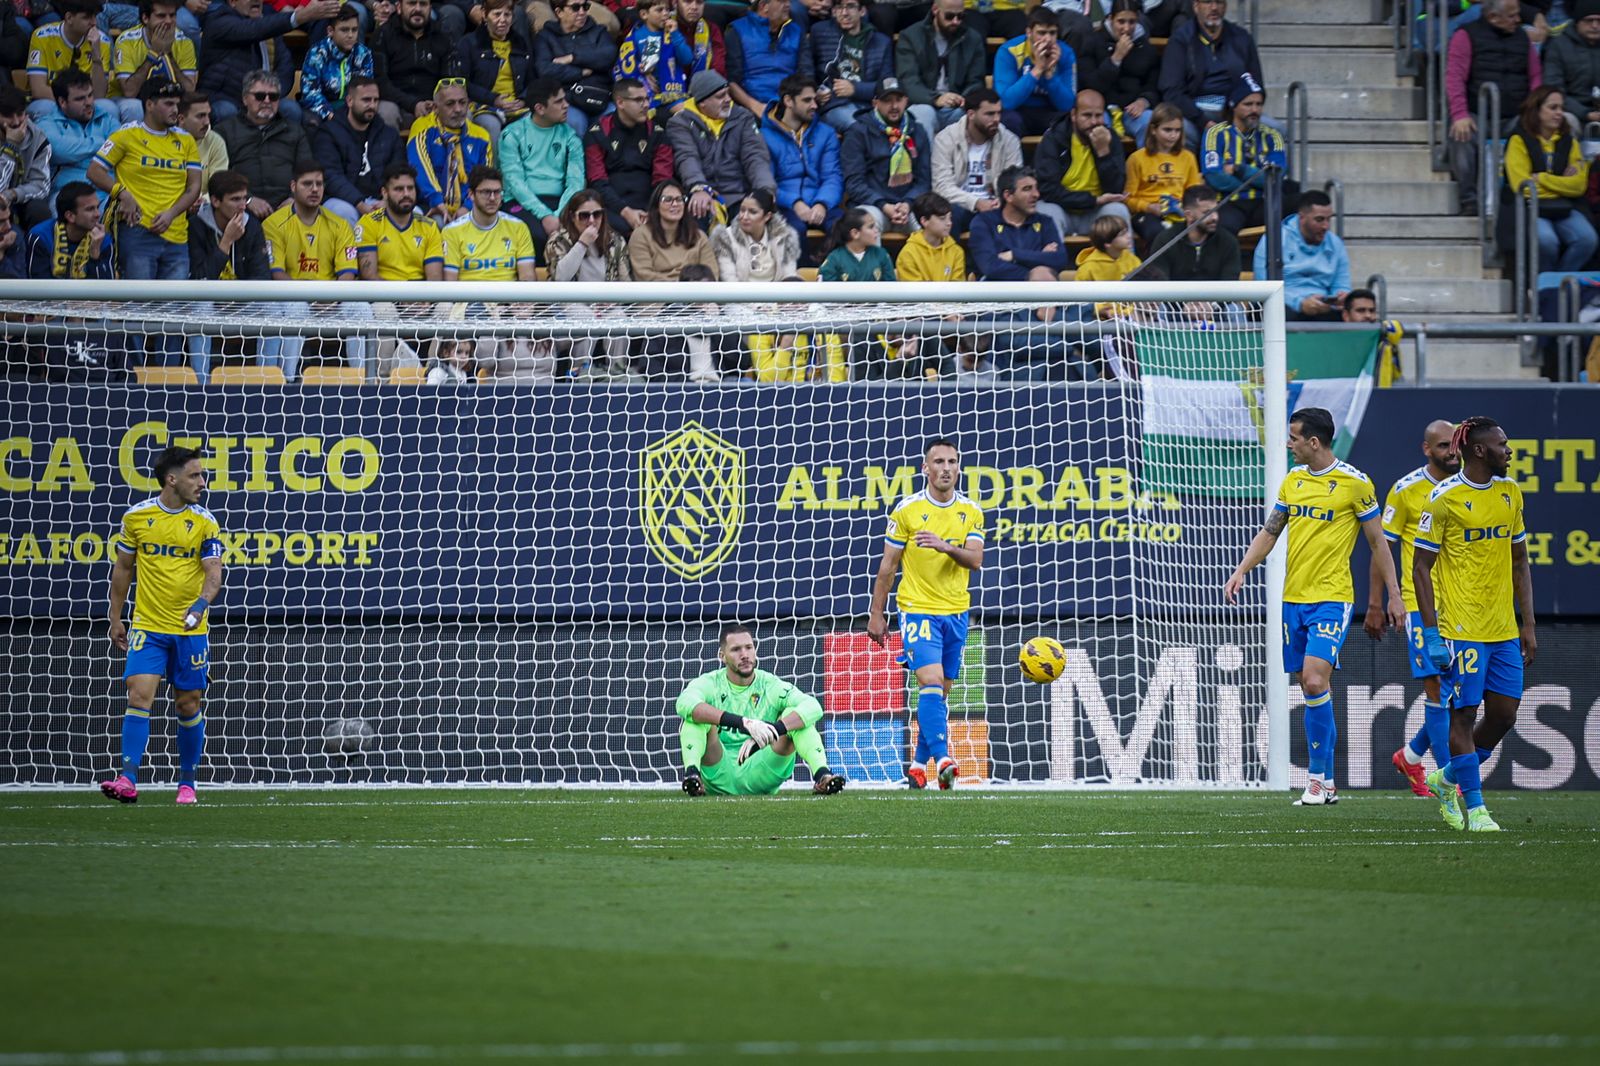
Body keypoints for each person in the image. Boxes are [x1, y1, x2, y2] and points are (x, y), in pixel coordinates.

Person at [1224, 407, 1405, 807]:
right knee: (1310, 689)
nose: (1288, 444)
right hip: (1294, 600)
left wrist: (1394, 595)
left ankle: (1318, 780)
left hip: (1332, 598)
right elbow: (1270, 533)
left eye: (1293, 438)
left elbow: (1378, 542)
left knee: (1314, 680)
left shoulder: (1355, 484)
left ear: (1314, 442)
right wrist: (1241, 570)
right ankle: (1327, 782)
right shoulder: (1293, 481)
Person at [1413, 416, 1537, 833]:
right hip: (1461, 628)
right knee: (1463, 715)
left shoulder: (1510, 493)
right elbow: (1420, 569)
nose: (1510, 450)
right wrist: (1432, 634)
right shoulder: (1443, 498)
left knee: (1504, 716)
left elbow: (1520, 561)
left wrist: (1528, 625)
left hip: (1503, 629)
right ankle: (1478, 810)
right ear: (1480, 450)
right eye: (1503, 444)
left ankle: (1446, 780)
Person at [99, 446, 224, 807]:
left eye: (202, 475)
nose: (202, 482)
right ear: (172, 479)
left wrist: (200, 606)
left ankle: (187, 783)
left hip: (189, 630)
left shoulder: (205, 522)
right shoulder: (137, 518)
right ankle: (128, 778)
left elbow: (213, 575)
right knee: (138, 695)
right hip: (148, 626)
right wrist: (115, 616)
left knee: (188, 704)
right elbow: (123, 569)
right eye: (195, 475)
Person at [866, 437, 985, 790]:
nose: (946, 468)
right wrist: (876, 613)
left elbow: (976, 560)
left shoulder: (971, 511)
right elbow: (888, 567)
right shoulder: (907, 511)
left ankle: (919, 764)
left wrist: (945, 546)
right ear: (925, 468)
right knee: (930, 683)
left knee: (939, 694)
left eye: (952, 461)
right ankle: (945, 758)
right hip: (917, 610)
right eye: (939, 462)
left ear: (959, 467)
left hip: (956, 612)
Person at [1372, 419, 1462, 798]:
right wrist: (1378, 602)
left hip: (1465, 607)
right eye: (1443, 446)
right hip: (1421, 606)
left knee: (1460, 695)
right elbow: (1382, 547)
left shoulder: (1467, 488)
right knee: (1439, 693)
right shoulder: (1406, 490)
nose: (1451, 453)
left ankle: (1410, 756)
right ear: (1427, 449)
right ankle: (1448, 782)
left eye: (1455, 445)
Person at [676, 623, 845, 797]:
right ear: (722, 656)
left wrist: (773, 731)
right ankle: (692, 775)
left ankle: (823, 776)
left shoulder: (769, 685)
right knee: (696, 717)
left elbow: (813, 707)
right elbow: (684, 703)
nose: (744, 655)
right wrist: (743, 723)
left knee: (794, 717)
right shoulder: (711, 683)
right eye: (736, 650)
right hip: (718, 770)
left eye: (749, 647)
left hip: (762, 771)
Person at [88, 79, 201, 282]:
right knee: (138, 306)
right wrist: (123, 193)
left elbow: (194, 187)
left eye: (177, 104)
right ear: (149, 105)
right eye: (168, 104)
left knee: (172, 310)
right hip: (137, 232)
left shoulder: (186, 140)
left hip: (177, 235)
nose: (175, 109)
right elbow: (94, 171)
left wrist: (171, 214)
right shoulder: (125, 135)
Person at [262, 161, 361, 380]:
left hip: (331, 301)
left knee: (360, 308)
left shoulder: (340, 224)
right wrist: (309, 297)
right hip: (292, 298)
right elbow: (276, 273)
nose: (315, 189)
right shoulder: (273, 224)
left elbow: (348, 272)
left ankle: (362, 380)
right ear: (293, 186)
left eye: (319, 184)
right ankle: (287, 380)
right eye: (308, 184)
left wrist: (331, 297)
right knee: (297, 309)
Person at [1446, 0, 1538, 217]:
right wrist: (1459, 114)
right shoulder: (1465, 35)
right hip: (1478, 113)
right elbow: (1454, 77)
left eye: (1518, 14)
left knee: (1537, 130)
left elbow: (1535, 76)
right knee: (1462, 136)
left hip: (1516, 113)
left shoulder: (1522, 38)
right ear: (1493, 18)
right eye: (1512, 16)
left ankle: (1521, 197)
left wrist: (1534, 109)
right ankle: (1469, 199)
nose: (1518, 20)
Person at [186, 169, 275, 382]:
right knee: (200, 308)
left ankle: (269, 379)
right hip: (209, 301)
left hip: (242, 301)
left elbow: (262, 277)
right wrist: (226, 242)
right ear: (215, 201)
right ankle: (201, 382)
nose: (242, 205)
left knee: (273, 306)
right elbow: (199, 278)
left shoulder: (251, 225)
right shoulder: (196, 225)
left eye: (244, 198)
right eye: (235, 199)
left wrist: (236, 298)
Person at [1503, 86, 1597, 273]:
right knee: (1547, 240)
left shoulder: (1570, 141)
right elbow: (1523, 187)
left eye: (1561, 108)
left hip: (1565, 206)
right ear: (1537, 110)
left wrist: (1543, 178)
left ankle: (1555, 285)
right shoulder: (1518, 140)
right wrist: (1561, 183)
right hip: (1531, 206)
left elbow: (1579, 186)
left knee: (1588, 239)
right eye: (1553, 108)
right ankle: (1545, 286)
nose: (1559, 113)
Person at [667, 69, 775, 227]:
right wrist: (698, 187)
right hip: (704, 194)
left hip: (740, 196)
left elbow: (755, 157)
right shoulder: (681, 122)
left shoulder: (742, 117)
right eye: (720, 96)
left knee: (761, 217)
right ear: (702, 102)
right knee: (697, 211)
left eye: (727, 93)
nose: (728, 100)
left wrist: (765, 190)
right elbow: (687, 157)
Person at [200, 0, 336, 125]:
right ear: (232, 2)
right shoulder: (219, 21)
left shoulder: (268, 25)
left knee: (291, 109)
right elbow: (252, 29)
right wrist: (299, 16)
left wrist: (270, 94)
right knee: (226, 111)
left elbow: (285, 67)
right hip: (228, 99)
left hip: (266, 98)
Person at [1158, 0, 1266, 147]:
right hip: (1195, 113)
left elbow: (1256, 84)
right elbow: (1171, 91)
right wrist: (1202, 120)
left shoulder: (1242, 38)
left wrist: (1241, 112)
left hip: (1235, 111)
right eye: (1207, 2)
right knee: (1183, 132)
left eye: (1219, 2)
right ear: (1196, 6)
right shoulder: (1181, 39)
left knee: (1277, 129)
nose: (1214, 7)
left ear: (1226, 6)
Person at [500, 77, 585, 250]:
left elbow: (576, 181)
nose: (566, 105)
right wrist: (545, 215)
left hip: (561, 202)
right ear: (540, 108)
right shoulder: (512, 134)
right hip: (521, 201)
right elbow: (515, 183)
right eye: (559, 101)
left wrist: (559, 215)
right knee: (536, 234)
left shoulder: (570, 136)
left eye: (565, 99)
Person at [215, 70, 316, 217]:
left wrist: (294, 199)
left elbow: (307, 170)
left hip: (290, 210)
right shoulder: (225, 131)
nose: (267, 101)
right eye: (260, 96)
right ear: (244, 99)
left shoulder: (295, 131)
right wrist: (247, 199)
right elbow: (219, 175)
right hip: (241, 210)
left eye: (273, 97)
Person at [1201, 72, 1292, 234]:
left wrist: (1239, 169)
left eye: (1259, 104)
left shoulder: (1273, 136)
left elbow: (1275, 178)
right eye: (1248, 104)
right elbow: (1215, 177)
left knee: (1305, 203)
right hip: (1230, 203)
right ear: (1233, 105)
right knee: (1223, 228)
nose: (1255, 110)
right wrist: (1258, 180)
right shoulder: (1215, 133)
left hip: (1263, 203)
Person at [840, 76, 929, 235]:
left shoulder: (917, 130)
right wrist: (882, 205)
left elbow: (924, 180)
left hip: (908, 207)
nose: (894, 106)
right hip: (873, 206)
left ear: (906, 101)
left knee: (930, 228)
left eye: (898, 99)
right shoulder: (858, 132)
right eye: (887, 100)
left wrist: (908, 203)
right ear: (875, 103)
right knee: (866, 228)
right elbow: (854, 183)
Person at [1036, 88, 1129, 238]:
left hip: (1096, 213)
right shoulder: (1054, 138)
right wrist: (1093, 200)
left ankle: (1125, 263)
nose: (1093, 122)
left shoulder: (1110, 139)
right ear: (1073, 115)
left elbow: (1116, 188)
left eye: (1098, 116)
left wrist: (1103, 153)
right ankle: (1047, 261)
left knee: (1118, 211)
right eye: (1087, 115)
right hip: (1062, 209)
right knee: (1045, 212)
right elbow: (1047, 190)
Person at [759, 73, 841, 245]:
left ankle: (834, 270)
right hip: (783, 206)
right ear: (788, 101)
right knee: (793, 232)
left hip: (819, 202)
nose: (814, 105)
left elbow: (832, 176)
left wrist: (822, 203)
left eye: (814, 100)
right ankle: (799, 273)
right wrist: (794, 203)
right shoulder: (764, 137)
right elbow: (766, 182)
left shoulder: (825, 133)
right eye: (807, 100)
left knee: (846, 226)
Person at [584, 78, 674, 234]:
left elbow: (662, 178)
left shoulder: (657, 133)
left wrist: (653, 211)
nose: (646, 105)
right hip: (611, 205)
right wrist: (625, 211)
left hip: (650, 204)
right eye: (639, 100)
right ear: (620, 103)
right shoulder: (597, 133)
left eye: (647, 98)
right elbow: (597, 181)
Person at [311, 76, 402, 226]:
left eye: (375, 100)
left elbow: (398, 171)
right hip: (341, 199)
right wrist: (358, 203)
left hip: (380, 199)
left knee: (414, 211)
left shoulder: (389, 134)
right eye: (366, 100)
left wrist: (388, 201)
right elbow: (330, 175)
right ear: (349, 101)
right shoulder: (329, 132)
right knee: (346, 212)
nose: (372, 105)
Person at [930, 87, 1018, 237]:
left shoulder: (1009, 140)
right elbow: (942, 187)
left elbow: (1015, 181)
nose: (996, 119)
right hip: (960, 206)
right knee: (948, 214)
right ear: (971, 114)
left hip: (996, 206)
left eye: (999, 113)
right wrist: (976, 203)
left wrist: (1002, 200)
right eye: (990, 114)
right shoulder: (946, 139)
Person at [407, 76, 494, 223]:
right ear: (435, 108)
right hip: (430, 204)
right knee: (438, 223)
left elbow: (484, 178)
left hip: (471, 206)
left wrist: (467, 207)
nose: (458, 109)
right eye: (450, 104)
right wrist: (437, 201)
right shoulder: (423, 128)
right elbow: (420, 167)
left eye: (462, 102)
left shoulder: (481, 136)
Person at [1254, 189, 1350, 322]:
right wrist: (1299, 303)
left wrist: (1340, 297)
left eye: (1329, 219)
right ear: (1302, 217)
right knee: (1277, 312)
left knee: (1353, 314)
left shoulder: (1335, 243)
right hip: (1284, 305)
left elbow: (1342, 284)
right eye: (1319, 220)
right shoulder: (1274, 240)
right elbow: (1264, 287)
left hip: (1324, 307)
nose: (1326, 226)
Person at [897, 0, 984, 138]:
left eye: (960, 16)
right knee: (925, 114)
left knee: (967, 116)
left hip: (956, 107)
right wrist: (936, 98)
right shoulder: (911, 36)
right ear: (935, 10)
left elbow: (976, 81)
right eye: (949, 16)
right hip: (921, 103)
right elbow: (908, 82)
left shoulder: (972, 39)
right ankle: (926, 160)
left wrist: (963, 99)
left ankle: (958, 160)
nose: (956, 21)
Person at [967, 163, 1068, 282]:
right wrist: (1034, 269)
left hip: (1036, 293)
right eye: (1027, 189)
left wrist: (1014, 255)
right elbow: (990, 266)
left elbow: (1059, 259)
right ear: (1008, 196)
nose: (1036, 194)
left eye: (1036, 188)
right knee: (1041, 274)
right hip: (995, 293)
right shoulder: (984, 222)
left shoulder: (1045, 222)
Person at [531, 0, 617, 136]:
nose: (582, 12)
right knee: (575, 123)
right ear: (559, 12)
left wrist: (572, 58)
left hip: (600, 96)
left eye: (585, 6)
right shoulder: (546, 36)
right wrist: (581, 72)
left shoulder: (598, 31)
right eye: (576, 8)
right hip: (568, 99)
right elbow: (545, 70)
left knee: (614, 120)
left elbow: (609, 56)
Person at [373, 0, 462, 132]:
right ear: (399, 8)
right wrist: (413, 104)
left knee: (462, 113)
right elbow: (380, 82)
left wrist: (437, 102)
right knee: (386, 112)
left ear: (430, 8)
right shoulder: (383, 34)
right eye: (412, 3)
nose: (418, 9)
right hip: (395, 102)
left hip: (433, 103)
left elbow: (449, 79)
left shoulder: (442, 35)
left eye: (423, 4)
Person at [1081, 0, 1159, 147]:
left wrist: (1144, 100)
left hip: (1132, 110)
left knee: (1151, 123)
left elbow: (1153, 82)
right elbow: (1090, 85)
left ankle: (1146, 168)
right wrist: (1116, 58)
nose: (1126, 28)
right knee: (1095, 126)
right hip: (1102, 109)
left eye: (1131, 22)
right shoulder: (1093, 42)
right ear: (1110, 19)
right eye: (1121, 22)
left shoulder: (1145, 47)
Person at [805, 0, 891, 133]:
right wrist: (814, 91)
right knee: (861, 127)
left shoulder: (881, 42)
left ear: (862, 11)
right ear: (833, 11)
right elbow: (807, 69)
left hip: (869, 106)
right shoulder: (819, 32)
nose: (844, 13)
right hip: (834, 106)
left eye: (850, 6)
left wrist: (855, 89)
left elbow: (888, 85)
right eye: (839, 7)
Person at [24, 0, 116, 123]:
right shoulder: (42, 37)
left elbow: (99, 94)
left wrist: (96, 56)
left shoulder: (101, 41)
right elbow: (38, 89)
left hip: (84, 102)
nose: (94, 23)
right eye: (87, 18)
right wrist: (72, 104)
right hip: (54, 100)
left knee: (108, 107)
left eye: (95, 17)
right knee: (45, 108)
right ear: (69, 18)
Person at [457, 0, 533, 147]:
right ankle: (492, 170)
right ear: (485, 15)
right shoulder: (469, 43)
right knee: (491, 124)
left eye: (507, 14)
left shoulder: (521, 43)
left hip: (517, 106)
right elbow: (463, 83)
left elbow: (533, 80)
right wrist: (494, 99)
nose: (503, 20)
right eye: (497, 14)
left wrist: (523, 100)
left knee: (536, 121)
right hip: (484, 106)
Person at [1124, 102, 1199, 246]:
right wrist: (1149, 207)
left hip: (1179, 211)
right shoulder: (1137, 158)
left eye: (1177, 130)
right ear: (1153, 129)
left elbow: (1193, 192)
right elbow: (1128, 199)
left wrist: (1185, 208)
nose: (1173, 135)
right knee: (1160, 235)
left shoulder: (1188, 157)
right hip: (1148, 212)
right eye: (1167, 130)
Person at [442, 163, 536, 279]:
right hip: (469, 296)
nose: (492, 198)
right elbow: (449, 284)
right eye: (486, 192)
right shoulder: (451, 231)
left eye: (497, 192)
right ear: (471, 194)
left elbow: (527, 278)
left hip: (508, 296)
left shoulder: (519, 227)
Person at [112, 0, 197, 124]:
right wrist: (153, 54)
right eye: (161, 16)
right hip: (127, 99)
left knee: (189, 106)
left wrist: (169, 55)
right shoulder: (126, 41)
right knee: (133, 107)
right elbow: (130, 92)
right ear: (145, 18)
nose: (168, 21)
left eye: (172, 15)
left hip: (166, 97)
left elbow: (189, 90)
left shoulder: (184, 42)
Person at [37, 70, 119, 199]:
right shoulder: (47, 124)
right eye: (80, 99)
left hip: (106, 191)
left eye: (90, 95)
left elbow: (120, 148)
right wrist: (101, 143)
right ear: (63, 102)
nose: (89, 103)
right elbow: (58, 150)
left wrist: (75, 156)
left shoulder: (106, 119)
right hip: (67, 195)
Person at [993, 7, 1074, 139]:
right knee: (1009, 122)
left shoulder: (1066, 53)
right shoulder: (1009, 51)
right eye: (1041, 33)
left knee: (1069, 122)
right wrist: (1037, 70)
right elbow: (1007, 102)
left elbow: (1067, 105)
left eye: (1052, 33)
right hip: (1018, 110)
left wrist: (1049, 75)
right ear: (1029, 32)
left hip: (1049, 110)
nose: (1048, 39)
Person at [725, 0, 807, 115]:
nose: (788, 5)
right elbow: (732, 82)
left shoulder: (796, 32)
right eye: (782, 1)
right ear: (764, 6)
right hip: (752, 106)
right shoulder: (737, 30)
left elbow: (806, 73)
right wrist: (754, 106)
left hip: (791, 105)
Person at [627, 177, 717, 279]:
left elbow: (711, 273)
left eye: (679, 199)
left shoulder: (699, 236)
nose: (675, 204)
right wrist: (680, 286)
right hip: (657, 294)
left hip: (695, 293)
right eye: (668, 200)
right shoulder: (640, 236)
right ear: (657, 205)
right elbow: (644, 276)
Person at [1148, 183, 1240, 282]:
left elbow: (1229, 287)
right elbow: (1160, 286)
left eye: (1216, 211)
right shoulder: (1165, 241)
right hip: (1175, 297)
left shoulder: (1228, 242)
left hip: (1216, 297)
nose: (1215, 217)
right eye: (1207, 212)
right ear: (1189, 215)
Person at [300, 5, 375, 125]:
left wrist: (350, 115)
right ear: (330, 31)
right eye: (344, 30)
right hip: (323, 110)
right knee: (311, 120)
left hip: (352, 110)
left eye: (354, 30)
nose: (350, 35)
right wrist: (330, 115)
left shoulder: (363, 54)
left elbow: (364, 90)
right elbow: (310, 93)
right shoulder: (317, 53)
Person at [615, 0, 692, 114]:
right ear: (644, 14)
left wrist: (676, 35)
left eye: (667, 9)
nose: (665, 13)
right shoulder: (636, 36)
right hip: (646, 98)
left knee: (686, 113)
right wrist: (641, 73)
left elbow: (687, 59)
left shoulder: (673, 33)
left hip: (674, 94)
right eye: (659, 10)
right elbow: (625, 68)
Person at [26, 180, 112, 278]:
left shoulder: (103, 240)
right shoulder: (41, 237)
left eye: (97, 207)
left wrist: (94, 255)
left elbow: (104, 290)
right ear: (70, 216)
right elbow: (37, 288)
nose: (98, 214)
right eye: (90, 209)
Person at [711, 185, 798, 279]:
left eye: (752, 212)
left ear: (767, 216)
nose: (744, 217)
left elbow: (789, 277)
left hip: (776, 293)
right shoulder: (725, 238)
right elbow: (729, 279)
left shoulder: (784, 238)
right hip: (738, 293)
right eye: (742, 210)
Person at [1541, 0, 1600, 134]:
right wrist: (1585, 113)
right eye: (1589, 21)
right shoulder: (1558, 46)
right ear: (1577, 22)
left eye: (1599, 21)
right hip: (1570, 111)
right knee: (1565, 121)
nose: (1595, 26)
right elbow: (1554, 89)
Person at [0, 87, 52, 231]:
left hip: (20, 200)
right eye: (8, 115)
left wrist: (12, 194)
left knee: (40, 211)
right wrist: (11, 148)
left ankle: (39, 253)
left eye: (20, 114)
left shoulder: (38, 138)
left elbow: (41, 186)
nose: (16, 122)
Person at [895, 189, 964, 280]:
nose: (949, 223)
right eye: (942, 218)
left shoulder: (956, 252)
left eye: (950, 218)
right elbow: (914, 292)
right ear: (924, 221)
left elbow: (958, 289)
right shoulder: (908, 254)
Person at [179, 91, 228, 188]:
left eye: (208, 115)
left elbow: (218, 187)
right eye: (200, 116)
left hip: (205, 202)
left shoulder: (215, 141)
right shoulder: (163, 141)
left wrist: (201, 199)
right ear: (181, 119)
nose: (207, 122)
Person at [675, 0, 725, 79]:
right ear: (675, 2)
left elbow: (719, 68)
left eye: (699, 2)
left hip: (703, 86)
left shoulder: (711, 29)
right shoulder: (663, 26)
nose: (694, 7)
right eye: (688, 1)